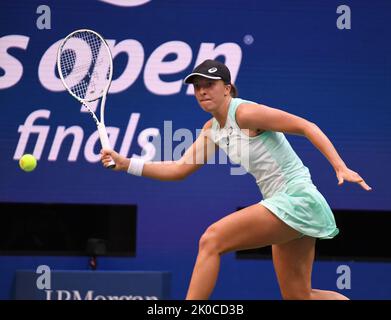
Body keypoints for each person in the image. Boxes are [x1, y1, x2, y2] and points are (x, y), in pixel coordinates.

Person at [101, 59, 372, 300]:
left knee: (212, 239)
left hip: (296, 197)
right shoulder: (213, 129)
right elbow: (179, 169)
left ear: (227, 88)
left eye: (210, 84)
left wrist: (340, 166)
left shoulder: (245, 113)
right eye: (197, 87)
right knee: (299, 296)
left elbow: (305, 126)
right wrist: (127, 164)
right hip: (282, 203)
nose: (203, 91)